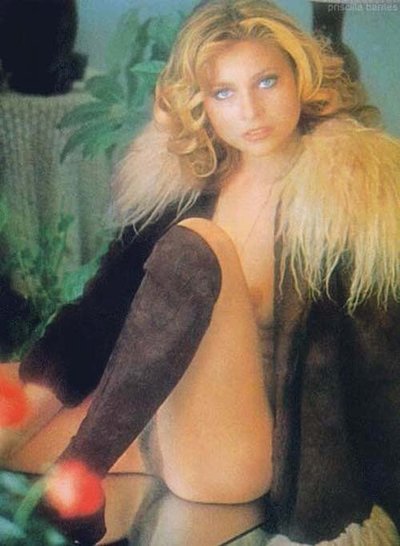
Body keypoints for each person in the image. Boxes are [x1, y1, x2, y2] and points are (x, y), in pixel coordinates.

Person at [1, 0, 400, 544]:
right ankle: (82, 465)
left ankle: (83, 471)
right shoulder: (185, 186)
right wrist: (36, 394)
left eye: (266, 82)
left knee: (197, 245)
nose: (250, 111)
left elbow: (382, 369)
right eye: (223, 93)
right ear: (201, 105)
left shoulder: (349, 199)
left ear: (300, 80)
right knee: (10, 410)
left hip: (238, 453)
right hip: (151, 425)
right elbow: (96, 317)